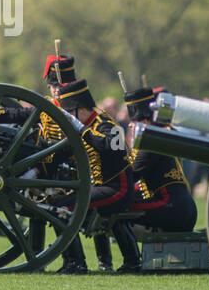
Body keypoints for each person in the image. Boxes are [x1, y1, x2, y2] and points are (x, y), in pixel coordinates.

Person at [51, 79, 138, 274]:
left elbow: (112, 149)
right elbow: (64, 152)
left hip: (118, 188)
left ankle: (76, 262)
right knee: (58, 203)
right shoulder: (86, 127)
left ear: (79, 110)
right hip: (101, 187)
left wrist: (82, 131)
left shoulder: (107, 123)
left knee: (62, 208)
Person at [123, 87, 197, 235]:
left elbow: (130, 177)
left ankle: (129, 259)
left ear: (145, 120)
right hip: (182, 207)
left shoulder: (150, 144)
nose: (130, 125)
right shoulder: (157, 137)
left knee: (116, 209)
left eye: (134, 121)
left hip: (171, 207)